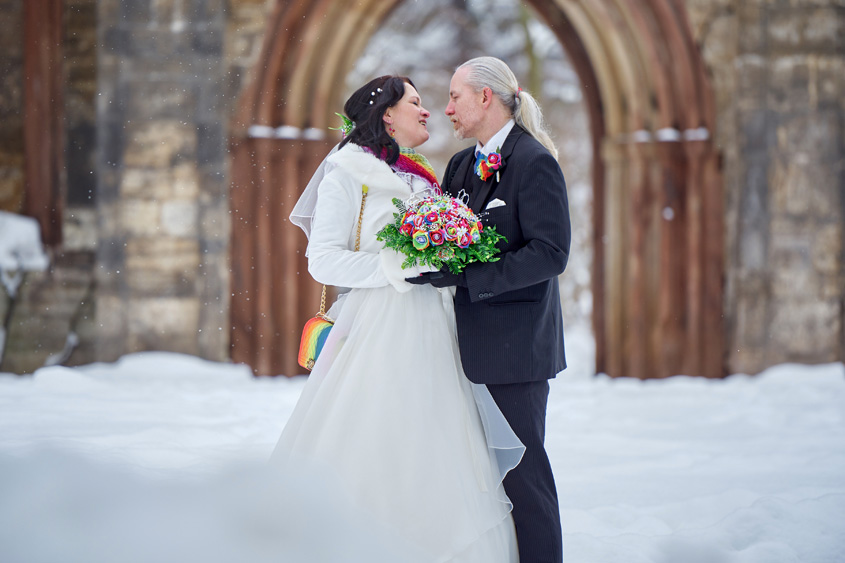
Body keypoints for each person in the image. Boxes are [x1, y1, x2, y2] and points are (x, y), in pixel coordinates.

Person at [273, 75, 525, 562]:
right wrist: (396, 267)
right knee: (380, 442)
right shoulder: (347, 171)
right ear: (386, 115)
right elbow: (321, 260)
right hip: (380, 331)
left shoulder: (424, 176)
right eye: (415, 103)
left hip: (437, 328)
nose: (428, 111)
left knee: (440, 449)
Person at [408, 57, 571, 563]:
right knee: (475, 478)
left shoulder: (534, 160)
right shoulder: (459, 165)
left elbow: (551, 253)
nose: (447, 107)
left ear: (486, 98)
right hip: (462, 348)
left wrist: (469, 278)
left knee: (524, 480)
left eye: (456, 96)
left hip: (516, 353)